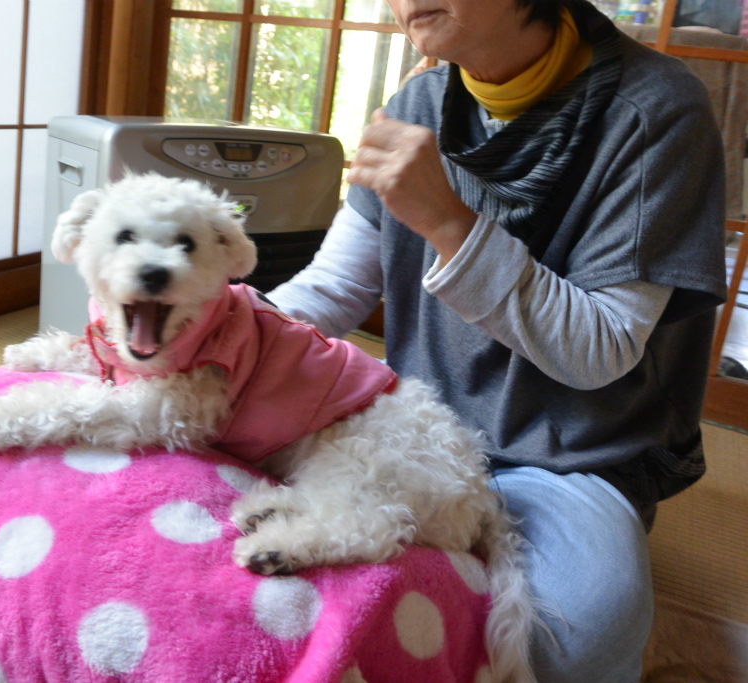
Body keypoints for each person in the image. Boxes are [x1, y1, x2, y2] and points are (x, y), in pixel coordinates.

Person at [267, 1, 729, 681]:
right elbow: (334, 288)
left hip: (577, 454)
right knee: (281, 559)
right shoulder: (418, 102)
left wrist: (448, 222)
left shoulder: (654, 109)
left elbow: (600, 347)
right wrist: (228, 325)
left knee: (582, 629)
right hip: (419, 424)